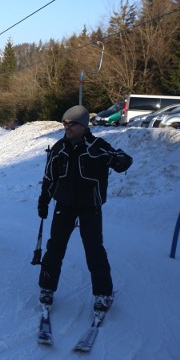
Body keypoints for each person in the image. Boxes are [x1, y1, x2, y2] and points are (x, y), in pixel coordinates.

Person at [37, 105, 133, 313]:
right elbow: (49, 177)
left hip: (90, 206)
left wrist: (120, 160)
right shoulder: (59, 148)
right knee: (55, 248)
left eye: (71, 124)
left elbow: (121, 159)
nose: (67, 127)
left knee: (94, 249)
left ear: (83, 126)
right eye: (64, 123)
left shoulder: (96, 146)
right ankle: (47, 289)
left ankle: (103, 294)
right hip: (64, 204)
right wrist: (44, 200)